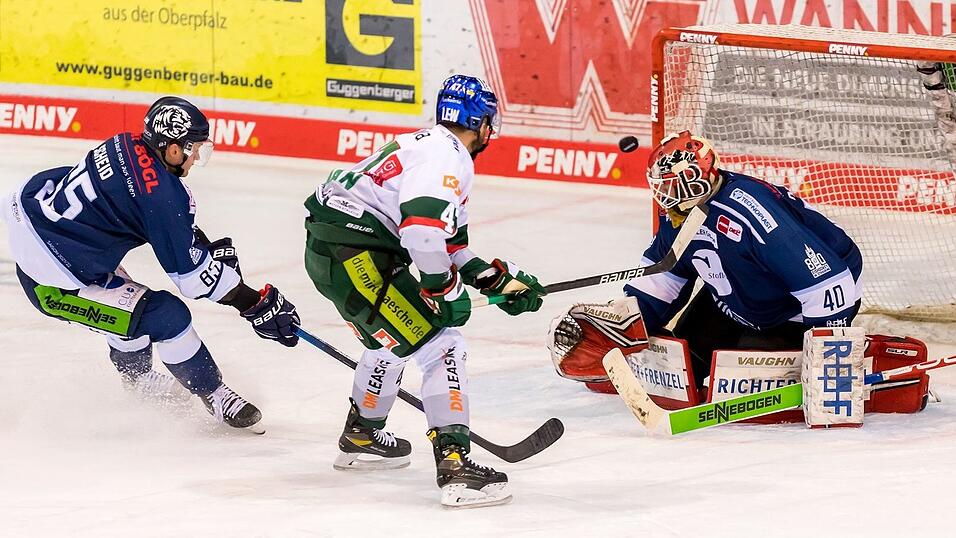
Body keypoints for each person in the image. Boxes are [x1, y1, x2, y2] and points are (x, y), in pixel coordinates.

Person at [303, 75, 546, 508]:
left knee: (391, 339)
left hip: (338, 251)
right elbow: (421, 233)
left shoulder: (430, 145)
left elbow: (449, 245)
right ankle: (456, 467)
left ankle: (362, 433)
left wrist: (496, 281)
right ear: (482, 122)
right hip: (358, 256)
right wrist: (445, 291)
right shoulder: (448, 159)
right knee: (442, 344)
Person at [2, 96, 301, 432]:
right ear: (173, 150)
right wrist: (252, 303)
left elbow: (157, 217)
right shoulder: (161, 194)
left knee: (129, 309)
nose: (195, 160)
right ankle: (213, 393)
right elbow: (191, 279)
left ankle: (138, 382)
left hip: (51, 236)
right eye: (195, 150)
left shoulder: (125, 144)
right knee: (167, 316)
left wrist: (196, 243)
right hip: (55, 285)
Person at [551, 130, 863, 391]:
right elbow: (662, 277)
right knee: (676, 361)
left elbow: (827, 283)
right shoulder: (680, 214)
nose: (664, 195)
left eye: (671, 185)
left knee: (741, 377)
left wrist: (827, 356)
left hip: (792, 308)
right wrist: (627, 327)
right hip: (737, 299)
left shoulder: (751, 211)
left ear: (694, 178)